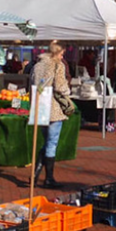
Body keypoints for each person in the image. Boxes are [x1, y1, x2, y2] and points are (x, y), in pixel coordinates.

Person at [30, 41, 75, 188]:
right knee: (52, 143)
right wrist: (68, 93)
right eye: (62, 53)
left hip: (40, 106)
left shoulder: (37, 65)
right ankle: (48, 178)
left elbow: (32, 84)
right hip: (54, 107)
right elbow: (60, 86)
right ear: (57, 52)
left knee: (46, 141)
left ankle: (35, 174)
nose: (63, 56)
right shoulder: (57, 65)